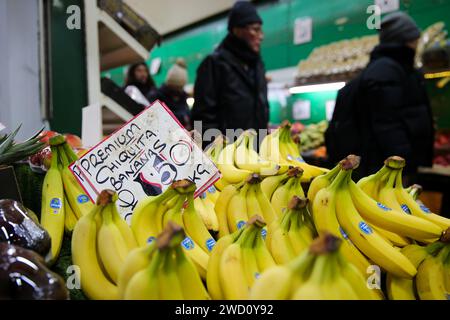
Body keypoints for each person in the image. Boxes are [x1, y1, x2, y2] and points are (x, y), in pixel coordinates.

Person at [327, 12, 434, 180]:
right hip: (386, 169)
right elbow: (387, 125)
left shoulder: (390, 69)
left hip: (383, 166)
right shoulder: (386, 72)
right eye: (415, 38)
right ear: (407, 40)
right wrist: (402, 165)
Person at [191, 1, 269, 147]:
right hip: (228, 156)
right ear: (237, 30)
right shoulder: (214, 64)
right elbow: (202, 119)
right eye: (255, 30)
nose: (261, 36)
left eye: (261, 31)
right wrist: (217, 153)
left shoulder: (257, 65)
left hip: (257, 153)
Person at [148, 58, 192, 130]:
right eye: (175, 87)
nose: (178, 90)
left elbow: (188, 115)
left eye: (180, 87)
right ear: (169, 84)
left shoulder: (182, 97)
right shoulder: (155, 97)